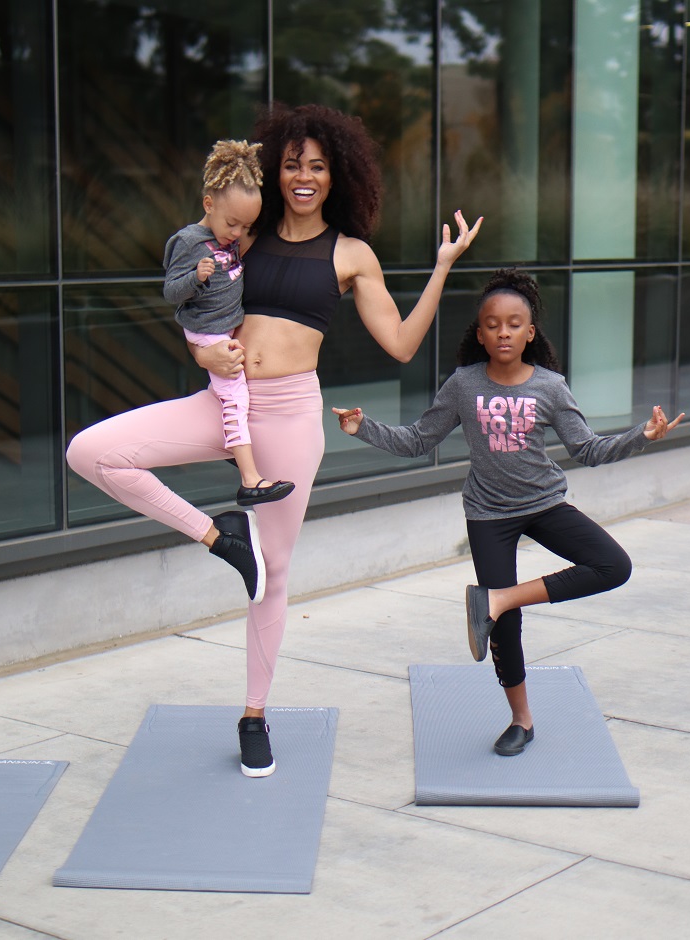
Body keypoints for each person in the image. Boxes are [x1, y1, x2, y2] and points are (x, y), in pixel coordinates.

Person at [66, 102, 483, 777]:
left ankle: (254, 715)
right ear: (274, 169)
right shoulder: (241, 238)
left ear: (335, 174)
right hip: (222, 403)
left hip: (289, 418)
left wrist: (442, 267)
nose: (304, 176)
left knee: (274, 577)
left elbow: (403, 344)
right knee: (91, 452)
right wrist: (203, 356)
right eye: (292, 164)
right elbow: (195, 308)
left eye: (317, 166)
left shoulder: (350, 254)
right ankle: (217, 536)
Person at [333, 268, 684, 758]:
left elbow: (586, 449)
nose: (503, 332)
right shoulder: (463, 384)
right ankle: (521, 719)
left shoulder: (550, 386)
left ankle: (498, 599)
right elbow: (417, 440)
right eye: (493, 324)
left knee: (613, 566)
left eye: (514, 324)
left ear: (529, 332)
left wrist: (640, 438)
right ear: (479, 333)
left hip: (544, 505)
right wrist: (362, 428)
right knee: (506, 627)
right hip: (489, 515)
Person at [163, 139, 294, 512]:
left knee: (238, 398)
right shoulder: (189, 242)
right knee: (235, 400)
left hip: (225, 327)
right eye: (231, 223)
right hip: (209, 332)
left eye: (245, 225)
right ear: (208, 204)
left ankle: (234, 449)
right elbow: (171, 293)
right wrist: (196, 278)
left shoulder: (230, 235)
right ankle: (250, 481)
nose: (236, 232)